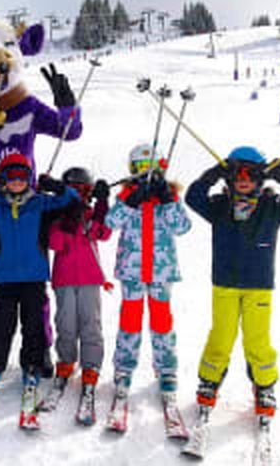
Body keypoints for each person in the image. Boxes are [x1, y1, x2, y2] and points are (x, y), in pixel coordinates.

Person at [185, 146, 280, 422]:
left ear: (260, 179)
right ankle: (209, 380)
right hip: (225, 284)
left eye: (251, 175)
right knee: (222, 335)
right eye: (237, 175)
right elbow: (192, 197)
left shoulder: (272, 208)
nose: (244, 180)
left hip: (259, 285)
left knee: (257, 339)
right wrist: (215, 172)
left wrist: (279, 171)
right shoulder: (219, 207)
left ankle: (264, 386)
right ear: (230, 179)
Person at [0, 153, 78, 419]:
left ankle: (32, 364)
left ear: (29, 179)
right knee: (2, 325)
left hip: (33, 276)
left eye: (22, 176)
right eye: (11, 177)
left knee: (33, 324)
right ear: (4, 180)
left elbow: (72, 201)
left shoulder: (40, 203)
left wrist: (58, 187)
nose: (17, 182)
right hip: (5, 276)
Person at [104, 144, 191, 421]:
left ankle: (166, 368)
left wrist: (168, 199)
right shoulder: (128, 195)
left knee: (161, 320)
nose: (146, 174)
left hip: (161, 270)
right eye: (140, 169)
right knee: (130, 319)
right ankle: (124, 368)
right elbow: (110, 222)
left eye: (151, 168)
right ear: (132, 171)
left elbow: (182, 227)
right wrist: (130, 200)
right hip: (132, 270)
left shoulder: (169, 195)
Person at [44, 167, 113, 423]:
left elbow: (103, 234)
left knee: (90, 324)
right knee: (65, 323)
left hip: (90, 279)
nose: (77, 195)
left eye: (82, 190)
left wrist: (103, 204)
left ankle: (91, 366)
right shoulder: (56, 216)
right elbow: (55, 244)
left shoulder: (91, 214)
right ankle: (65, 361)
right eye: (72, 189)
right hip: (64, 279)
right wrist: (67, 221)